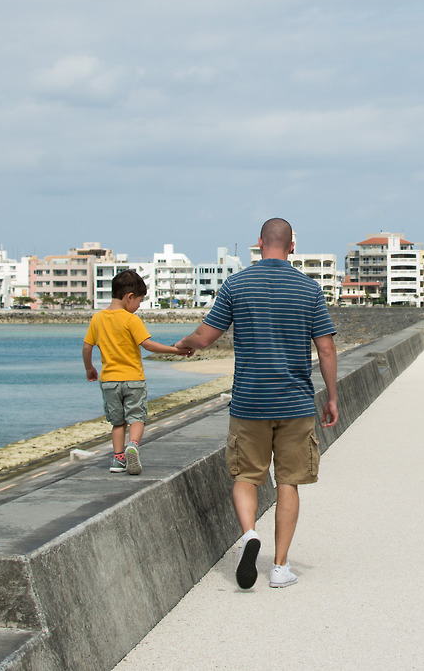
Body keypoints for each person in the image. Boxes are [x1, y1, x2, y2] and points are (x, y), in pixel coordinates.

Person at [175, 218, 338, 590]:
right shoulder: (309, 288)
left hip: (250, 402)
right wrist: (331, 397)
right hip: (295, 404)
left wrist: (184, 343)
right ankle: (280, 567)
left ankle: (250, 533)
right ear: (292, 246)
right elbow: (326, 348)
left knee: (246, 477)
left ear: (259, 243)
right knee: (289, 482)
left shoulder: (236, 284)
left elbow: (205, 336)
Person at [83, 270, 192, 475]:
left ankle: (118, 460)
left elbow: (87, 347)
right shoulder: (131, 320)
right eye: (140, 301)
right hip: (133, 379)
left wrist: (90, 368)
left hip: (109, 381)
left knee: (118, 422)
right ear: (130, 296)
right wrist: (175, 350)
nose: (139, 306)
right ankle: (133, 446)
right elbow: (148, 345)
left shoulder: (97, 319)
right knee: (137, 418)